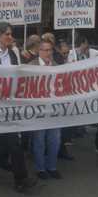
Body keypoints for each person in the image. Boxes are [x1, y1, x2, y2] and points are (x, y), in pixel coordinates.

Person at [0, 23, 36, 193]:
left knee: (14, 141)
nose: (11, 37)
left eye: (11, 34)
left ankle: (21, 179)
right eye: (8, 34)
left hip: (8, 105)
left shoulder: (12, 53)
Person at [29, 39, 63, 179]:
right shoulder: (31, 66)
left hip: (54, 109)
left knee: (55, 140)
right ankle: (40, 168)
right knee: (39, 140)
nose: (48, 53)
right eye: (45, 50)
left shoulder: (57, 67)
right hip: (38, 110)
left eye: (50, 50)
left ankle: (52, 166)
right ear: (39, 51)